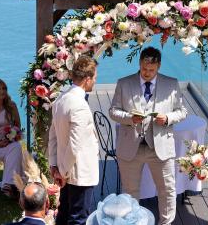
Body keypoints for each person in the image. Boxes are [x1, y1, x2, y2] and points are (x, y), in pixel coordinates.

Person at [109, 47, 187, 225]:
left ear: (158, 66)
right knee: (130, 192)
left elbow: (182, 111)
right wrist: (130, 118)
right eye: (144, 69)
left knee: (167, 190)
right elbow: (113, 111)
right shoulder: (124, 83)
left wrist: (167, 118)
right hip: (130, 148)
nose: (147, 73)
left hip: (160, 148)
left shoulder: (171, 84)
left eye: (151, 70)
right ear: (140, 63)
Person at [49, 55, 99, 225]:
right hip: (79, 172)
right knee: (78, 218)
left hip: (66, 168)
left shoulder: (61, 98)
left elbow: (53, 136)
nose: (95, 82)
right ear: (87, 79)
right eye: (95, 78)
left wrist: (54, 165)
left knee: (63, 214)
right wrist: (62, 172)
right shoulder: (80, 105)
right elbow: (74, 144)